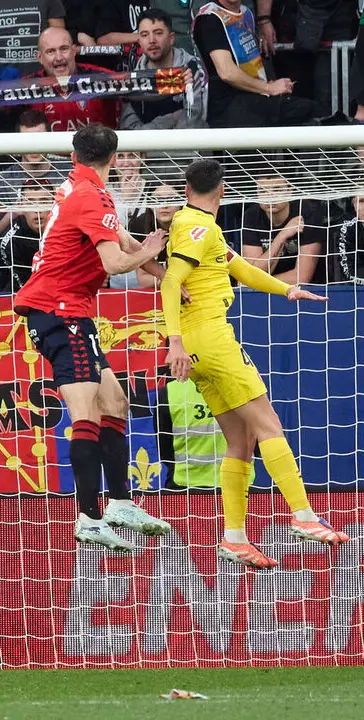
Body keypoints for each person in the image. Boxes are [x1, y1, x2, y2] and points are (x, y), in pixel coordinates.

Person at [161, 158, 347, 568]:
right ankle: (303, 515)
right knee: (269, 425)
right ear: (223, 190)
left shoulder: (196, 225)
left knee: (240, 440)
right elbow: (171, 280)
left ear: (186, 189)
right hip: (209, 338)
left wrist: (287, 290)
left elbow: (242, 268)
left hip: (197, 346)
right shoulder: (198, 227)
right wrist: (174, 341)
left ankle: (234, 538)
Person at [12, 124, 170, 553]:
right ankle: (89, 518)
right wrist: (150, 251)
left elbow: (124, 240)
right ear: (114, 159)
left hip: (68, 311)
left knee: (115, 402)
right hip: (59, 312)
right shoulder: (91, 196)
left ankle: (120, 503)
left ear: (73, 156)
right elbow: (117, 262)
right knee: (86, 413)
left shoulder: (77, 188)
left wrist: (165, 275)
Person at [193, 0, 322, 128]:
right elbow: (227, 73)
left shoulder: (246, 13)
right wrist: (269, 88)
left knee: (309, 109)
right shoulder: (209, 18)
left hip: (253, 97)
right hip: (227, 106)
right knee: (309, 111)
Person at [119, 8, 205, 131]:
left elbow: (191, 124)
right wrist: (172, 118)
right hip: (146, 143)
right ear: (139, 42)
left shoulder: (191, 69)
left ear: (171, 38)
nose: (151, 40)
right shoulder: (132, 79)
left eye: (158, 33)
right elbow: (129, 130)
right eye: (145, 35)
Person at [240, 167, 327, 286]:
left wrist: (257, 283)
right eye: (263, 191)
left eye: (277, 190)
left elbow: (301, 277)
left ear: (290, 190)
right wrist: (282, 236)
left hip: (307, 290)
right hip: (266, 288)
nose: (270, 196)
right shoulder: (251, 216)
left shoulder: (307, 213)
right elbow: (253, 273)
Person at [27, 27, 120, 132]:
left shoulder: (104, 78)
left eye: (64, 49)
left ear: (74, 50)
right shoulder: (24, 87)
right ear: (40, 57)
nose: (59, 57)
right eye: (51, 51)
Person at [0, 109, 69, 201]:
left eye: (40, 140)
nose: (34, 147)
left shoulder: (69, 174)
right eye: (27, 140)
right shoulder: (4, 181)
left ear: (50, 140)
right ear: (18, 142)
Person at [0, 182, 51, 292]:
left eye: (44, 202)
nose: (37, 210)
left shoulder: (68, 232)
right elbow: (21, 282)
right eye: (31, 203)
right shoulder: (11, 241)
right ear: (21, 206)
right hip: (21, 291)